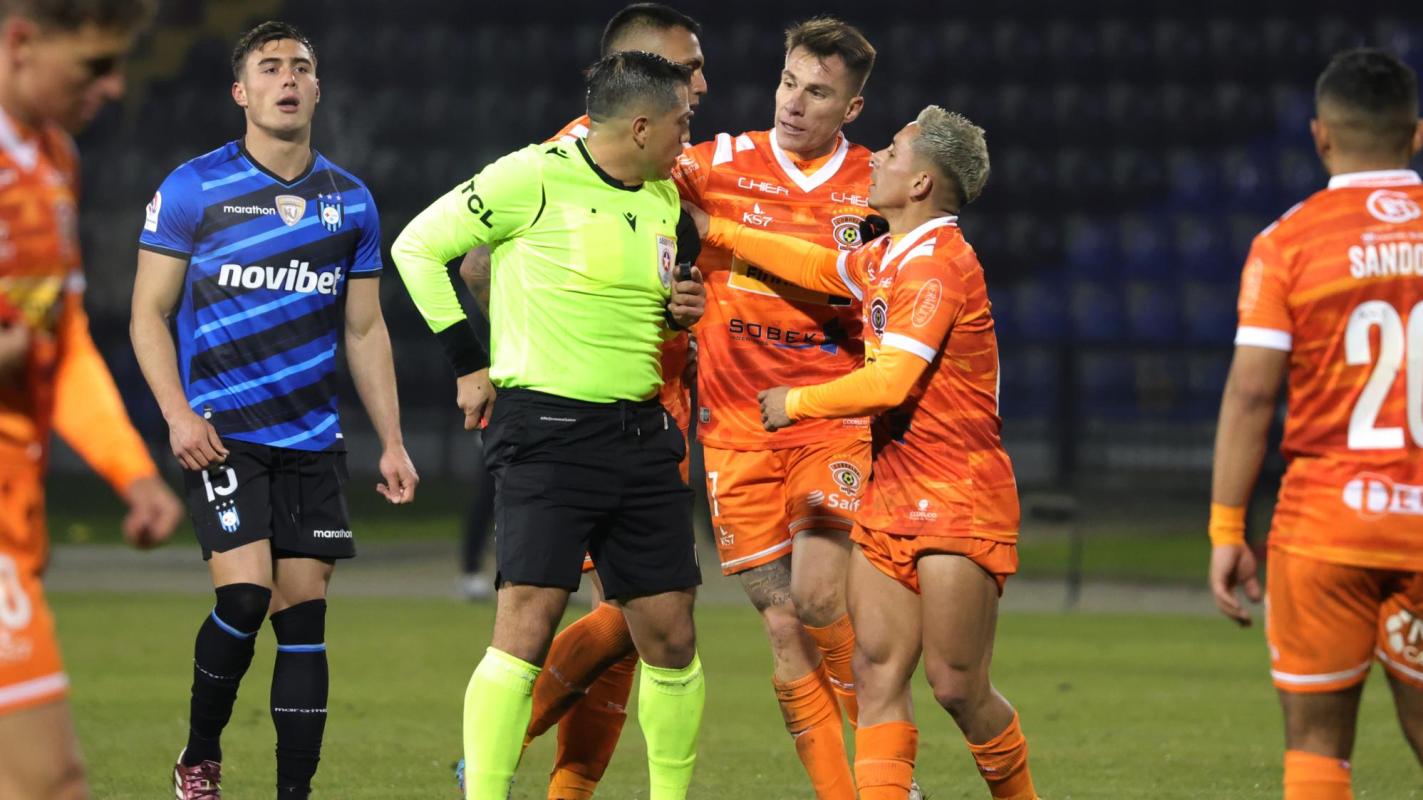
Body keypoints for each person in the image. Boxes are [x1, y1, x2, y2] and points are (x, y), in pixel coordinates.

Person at [685, 105, 1040, 800]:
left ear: (920, 185)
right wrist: (718, 228)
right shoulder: (887, 254)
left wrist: (796, 403)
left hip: (957, 496)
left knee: (956, 686)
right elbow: (818, 265)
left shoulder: (938, 265)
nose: (875, 157)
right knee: (876, 675)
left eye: (894, 152)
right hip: (888, 493)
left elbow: (890, 382)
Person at [392, 51, 707, 800]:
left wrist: (678, 314)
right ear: (640, 125)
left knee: (671, 635)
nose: (687, 139)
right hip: (547, 430)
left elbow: (645, 312)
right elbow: (417, 248)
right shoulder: (530, 175)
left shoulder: (663, 200)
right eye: (681, 123)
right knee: (526, 627)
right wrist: (468, 363)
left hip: (641, 433)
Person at [130, 21, 418, 799]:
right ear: (241, 91)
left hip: (312, 439)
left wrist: (392, 440)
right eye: (269, 67)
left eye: (300, 67)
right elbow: (148, 314)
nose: (287, 78)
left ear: (317, 89)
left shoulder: (349, 202)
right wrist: (177, 415)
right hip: (222, 434)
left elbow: (365, 328)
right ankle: (199, 757)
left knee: (303, 620)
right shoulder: (193, 189)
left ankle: (295, 794)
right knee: (246, 596)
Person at [669, 17, 876, 799]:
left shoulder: (874, 183)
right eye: (789, 82)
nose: (793, 102)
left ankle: (889, 771)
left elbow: (845, 279)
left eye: (817, 92)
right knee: (783, 627)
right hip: (733, 431)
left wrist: (716, 233)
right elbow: (620, 163)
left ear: (850, 109)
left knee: (820, 596)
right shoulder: (713, 163)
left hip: (830, 420)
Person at [1208, 48, 1423, 799]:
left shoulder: (1287, 243)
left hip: (1327, 524)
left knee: (1316, 747)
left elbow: (1250, 396)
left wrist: (1227, 529)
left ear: (1321, 135)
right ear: (1416, 133)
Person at [0, 1, 183, 798]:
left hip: (15, 526)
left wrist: (132, 473)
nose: (113, 87)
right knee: (48, 782)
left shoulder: (52, 160)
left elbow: (63, 340)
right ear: (21, 43)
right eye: (94, 65)